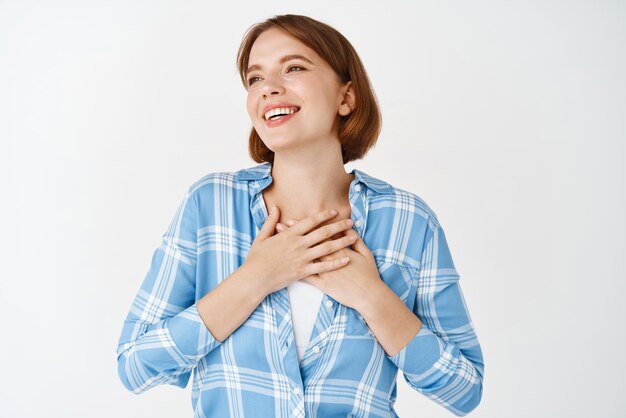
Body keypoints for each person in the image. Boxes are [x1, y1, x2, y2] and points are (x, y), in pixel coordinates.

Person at [116, 14, 484, 417]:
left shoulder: (408, 221)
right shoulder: (210, 206)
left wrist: (372, 297)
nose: (269, 87)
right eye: (255, 79)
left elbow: (464, 390)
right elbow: (135, 366)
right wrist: (257, 278)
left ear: (346, 97)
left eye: (293, 68)